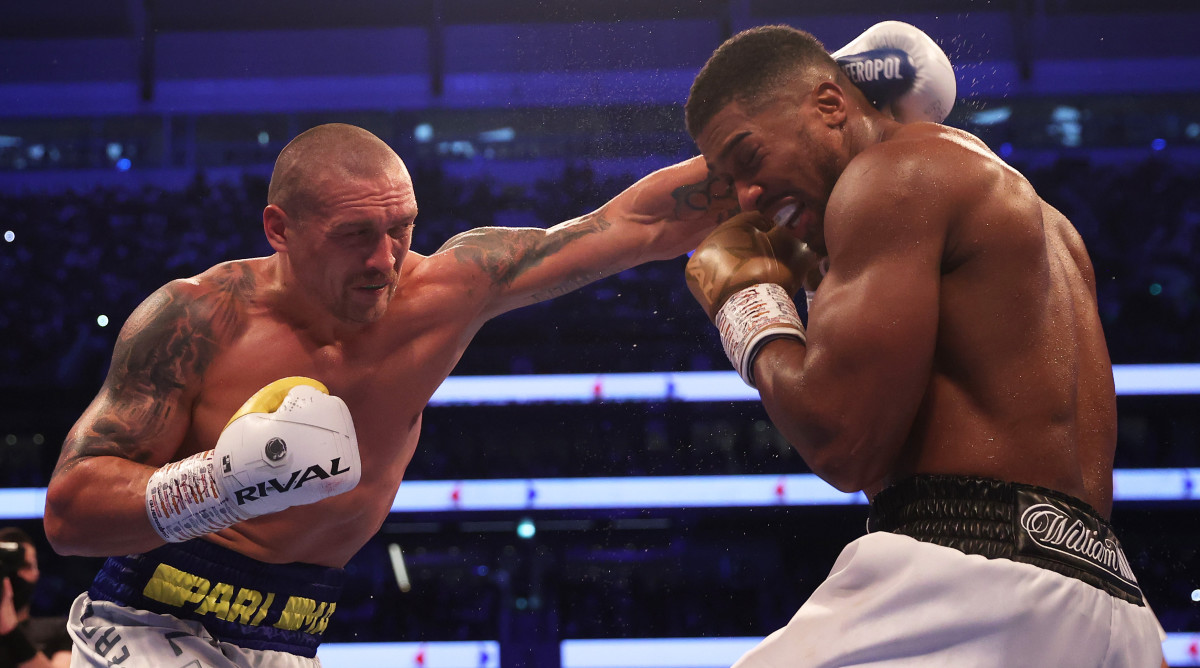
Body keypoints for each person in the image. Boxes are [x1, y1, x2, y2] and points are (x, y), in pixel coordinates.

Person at [41, 122, 738, 667]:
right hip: (154, 619)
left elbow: (636, 224)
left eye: (400, 228)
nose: (385, 260)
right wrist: (219, 483)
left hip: (292, 635)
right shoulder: (197, 319)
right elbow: (70, 513)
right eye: (354, 236)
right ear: (279, 229)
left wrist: (803, 113)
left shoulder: (448, 290)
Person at [682, 24, 1167, 667]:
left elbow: (842, 441)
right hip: (1115, 607)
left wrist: (746, 306)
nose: (745, 197)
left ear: (830, 106)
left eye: (749, 159)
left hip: (969, 579)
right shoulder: (1045, 221)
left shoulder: (890, 174)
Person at [0, 527, 72, 668]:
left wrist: (10, 630)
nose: (14, 574)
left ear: (36, 573)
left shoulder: (61, 630)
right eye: (6, 566)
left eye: (24, 566)